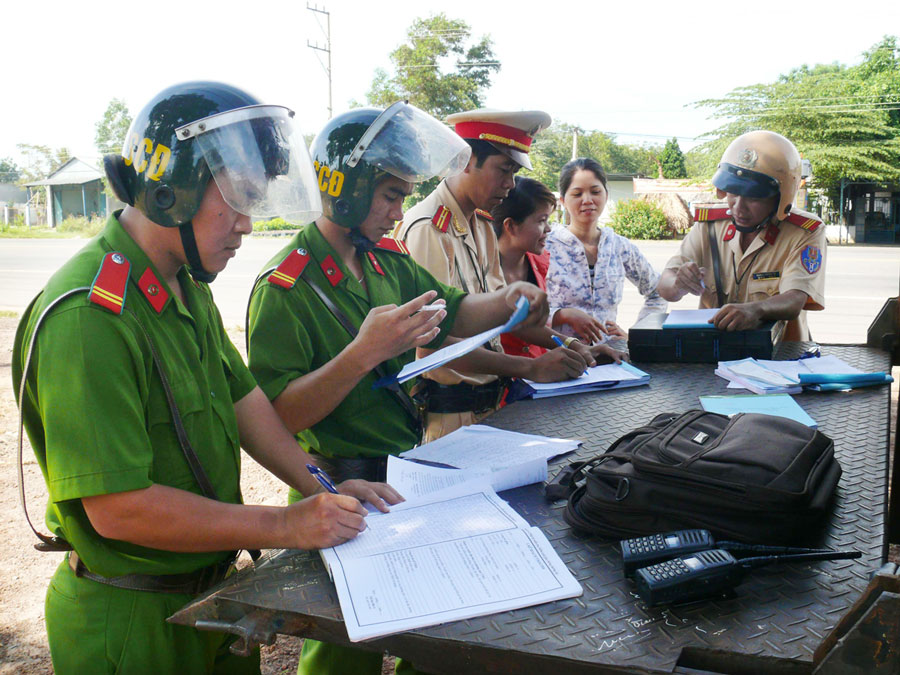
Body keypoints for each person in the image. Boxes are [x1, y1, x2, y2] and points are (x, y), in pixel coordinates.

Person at [12, 81, 398, 675]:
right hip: (132, 622)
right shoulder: (90, 314)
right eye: (240, 198)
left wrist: (321, 485)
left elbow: (246, 404)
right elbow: (118, 509)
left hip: (205, 598)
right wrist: (283, 522)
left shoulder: (182, 283)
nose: (247, 224)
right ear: (174, 191)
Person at [245, 102, 561, 675]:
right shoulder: (286, 287)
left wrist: (508, 299)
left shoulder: (386, 259)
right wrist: (364, 352)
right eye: (389, 195)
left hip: (402, 476)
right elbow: (278, 418)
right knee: (344, 646)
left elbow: (457, 310)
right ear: (344, 189)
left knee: (426, 629)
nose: (397, 212)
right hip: (332, 484)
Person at [395, 110, 596, 441]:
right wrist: (531, 368)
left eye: (514, 172)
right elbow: (432, 344)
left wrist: (569, 344)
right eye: (503, 170)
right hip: (451, 417)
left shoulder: (482, 226)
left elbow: (509, 319)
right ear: (466, 160)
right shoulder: (428, 228)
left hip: (492, 406)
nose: (510, 184)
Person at [656, 130, 825, 341]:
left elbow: (795, 299)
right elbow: (665, 287)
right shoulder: (709, 226)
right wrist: (679, 284)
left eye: (753, 198)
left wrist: (756, 310)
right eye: (733, 193)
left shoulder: (804, 232)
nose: (738, 208)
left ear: (781, 198)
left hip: (780, 358)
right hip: (715, 352)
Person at [492, 175, 625, 363]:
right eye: (541, 221)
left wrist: (581, 348)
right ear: (511, 226)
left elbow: (531, 324)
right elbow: (512, 324)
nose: (548, 229)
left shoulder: (542, 262)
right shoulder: (482, 270)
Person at [545, 158, 667, 350]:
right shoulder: (546, 245)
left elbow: (658, 292)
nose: (587, 200)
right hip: (558, 358)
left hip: (610, 358)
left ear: (606, 195)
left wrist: (637, 334)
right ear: (563, 201)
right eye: (577, 194)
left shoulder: (619, 247)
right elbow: (521, 310)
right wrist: (561, 315)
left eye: (595, 192)